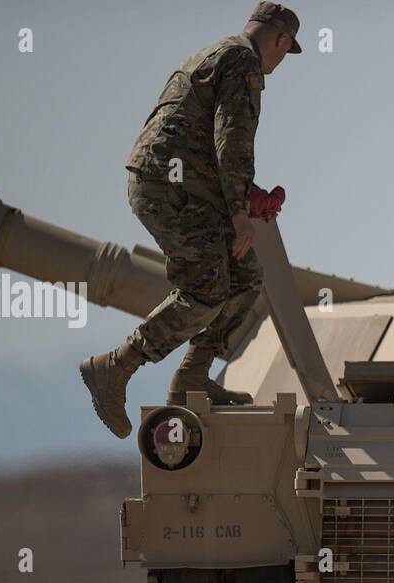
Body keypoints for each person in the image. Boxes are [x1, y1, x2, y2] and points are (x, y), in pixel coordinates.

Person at [79, 1, 301, 438]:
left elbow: (197, 141)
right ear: (279, 38)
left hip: (177, 185)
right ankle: (115, 366)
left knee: (245, 275)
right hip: (168, 189)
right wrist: (239, 212)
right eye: (286, 49)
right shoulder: (242, 62)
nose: (280, 62)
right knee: (206, 287)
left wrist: (246, 196)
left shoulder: (214, 53)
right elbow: (231, 140)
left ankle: (191, 380)